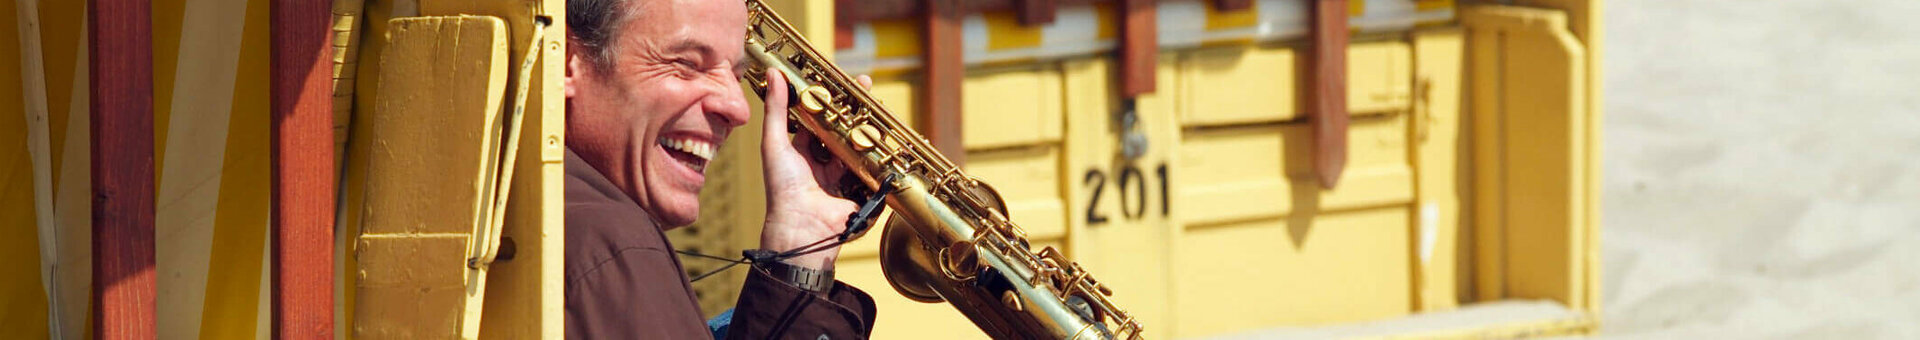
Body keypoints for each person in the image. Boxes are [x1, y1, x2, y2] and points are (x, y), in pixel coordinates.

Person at [562, 0, 878, 338]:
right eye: (687, 64)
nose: (738, 109)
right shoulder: (612, 240)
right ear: (565, 63)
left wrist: (799, 251)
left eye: (737, 77)